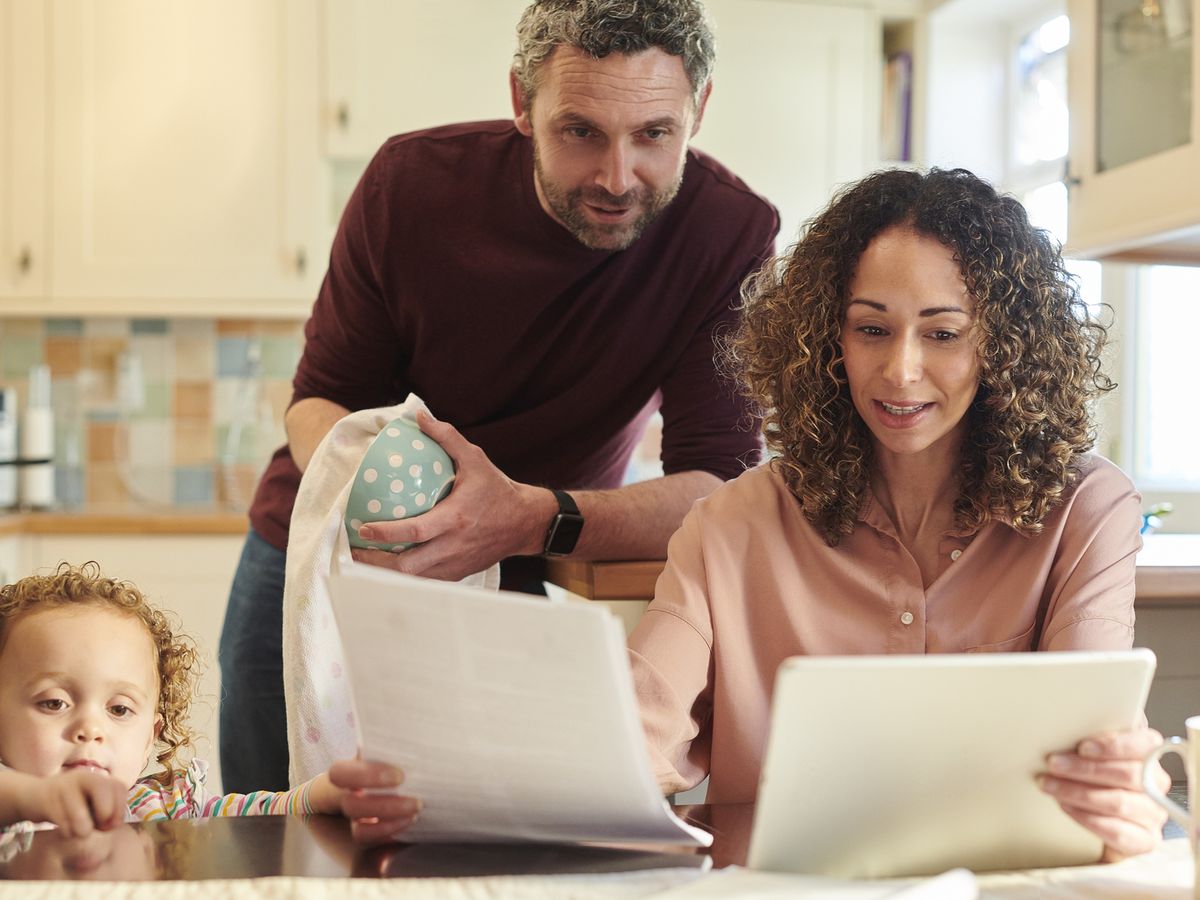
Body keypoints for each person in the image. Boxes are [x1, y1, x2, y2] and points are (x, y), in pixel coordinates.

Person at [220, 0, 779, 792]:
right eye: (580, 131)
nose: (618, 178)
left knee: (475, 831)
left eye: (655, 134)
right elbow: (319, 404)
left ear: (700, 107)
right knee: (275, 830)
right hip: (322, 553)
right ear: (521, 100)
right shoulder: (409, 186)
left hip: (523, 567)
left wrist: (526, 519)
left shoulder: (729, 234)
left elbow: (716, 486)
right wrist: (398, 509)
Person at [627, 167, 1171, 861]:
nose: (900, 370)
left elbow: (1098, 753)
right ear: (829, 340)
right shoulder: (730, 526)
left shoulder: (1085, 510)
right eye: (872, 329)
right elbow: (628, 748)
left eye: (942, 334)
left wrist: (1125, 797)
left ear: (1004, 344)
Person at [0, 564, 414, 843]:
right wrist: (35, 798)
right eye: (53, 703)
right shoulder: (11, 813)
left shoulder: (164, 810)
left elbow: (255, 818)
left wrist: (317, 797)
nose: (90, 729)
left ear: (149, 738)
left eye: (119, 709)